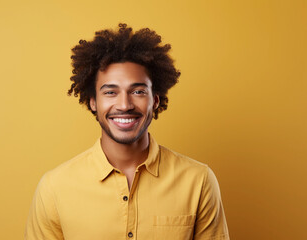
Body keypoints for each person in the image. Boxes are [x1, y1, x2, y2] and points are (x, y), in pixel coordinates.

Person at [25, 23, 229, 240]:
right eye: (110, 92)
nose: (124, 104)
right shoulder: (54, 188)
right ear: (93, 102)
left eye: (138, 91)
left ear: (155, 101)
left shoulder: (198, 181)